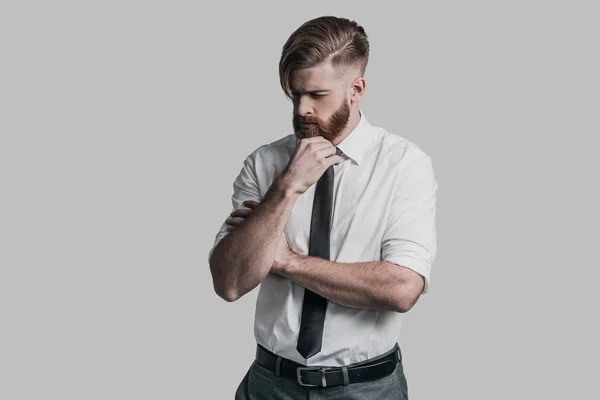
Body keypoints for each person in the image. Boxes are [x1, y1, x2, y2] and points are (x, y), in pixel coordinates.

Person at [208, 15, 437, 399]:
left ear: (356, 89)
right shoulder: (264, 165)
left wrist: (283, 261)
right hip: (269, 385)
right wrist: (286, 188)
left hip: (366, 389)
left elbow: (402, 289)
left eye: (317, 96)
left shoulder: (404, 165)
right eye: (294, 94)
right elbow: (229, 283)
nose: (301, 110)